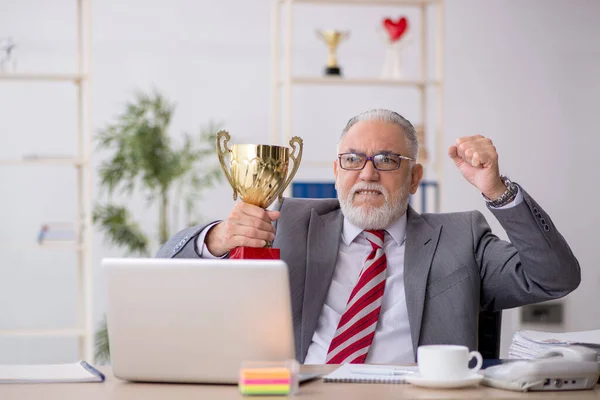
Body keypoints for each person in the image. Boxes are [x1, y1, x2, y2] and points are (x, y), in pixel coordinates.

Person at [157, 109, 580, 365]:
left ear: (414, 177)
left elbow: (554, 277)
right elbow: (166, 274)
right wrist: (218, 240)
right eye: (353, 159)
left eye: (387, 160)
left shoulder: (460, 236)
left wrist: (496, 189)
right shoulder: (287, 220)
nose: (368, 173)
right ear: (337, 171)